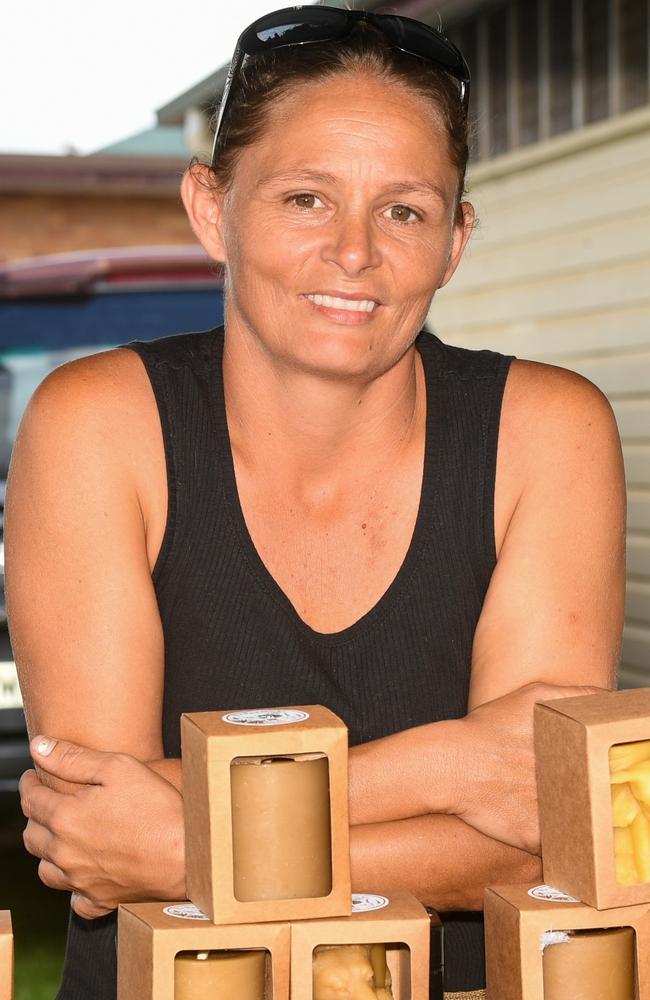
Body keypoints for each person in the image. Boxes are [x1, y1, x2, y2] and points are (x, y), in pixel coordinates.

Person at [6, 7, 625, 999]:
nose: (353, 252)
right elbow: (94, 825)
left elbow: (530, 840)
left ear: (455, 238)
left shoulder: (544, 430)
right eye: (304, 197)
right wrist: (442, 771)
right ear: (211, 207)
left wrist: (185, 851)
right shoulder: (98, 425)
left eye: (405, 210)